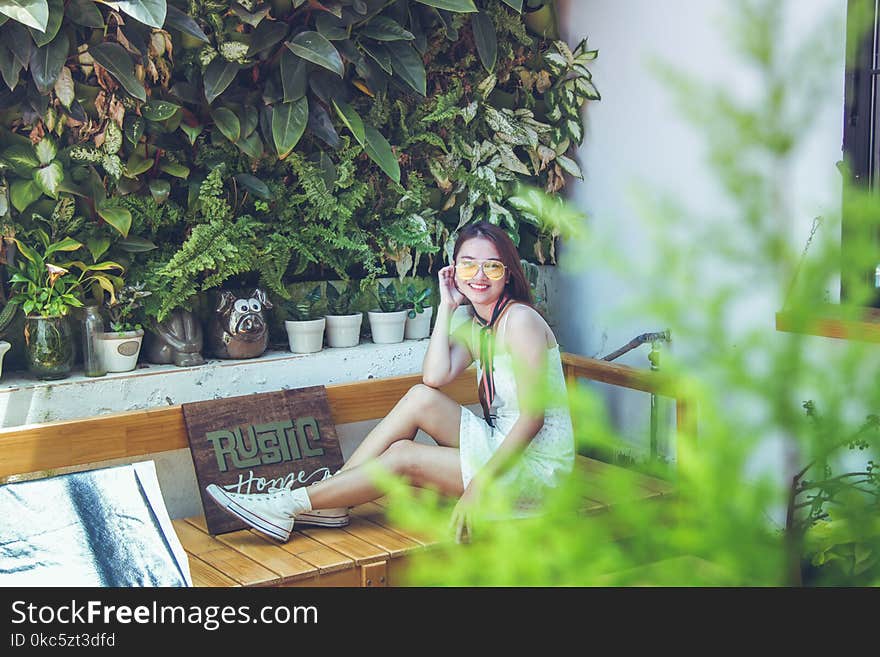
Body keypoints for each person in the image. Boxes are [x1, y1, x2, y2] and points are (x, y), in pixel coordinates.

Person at [206, 221, 575, 543]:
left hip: (535, 469)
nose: (479, 276)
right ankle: (329, 502)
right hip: (499, 445)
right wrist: (446, 308)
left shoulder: (520, 321)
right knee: (420, 397)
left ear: (507, 273)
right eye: (468, 264)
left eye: (492, 267)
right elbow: (434, 377)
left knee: (402, 456)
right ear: (454, 271)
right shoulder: (476, 323)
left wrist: (477, 487)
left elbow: (532, 418)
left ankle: (291, 503)